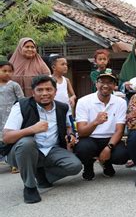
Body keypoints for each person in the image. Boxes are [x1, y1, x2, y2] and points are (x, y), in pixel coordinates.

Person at [1, 75, 81, 203]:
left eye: (49, 89)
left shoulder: (63, 107)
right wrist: (32, 129)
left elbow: (68, 127)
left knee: (75, 166)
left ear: (55, 92)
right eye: (40, 90)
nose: (45, 93)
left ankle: (42, 175)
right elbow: (6, 138)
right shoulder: (21, 106)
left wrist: (70, 135)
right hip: (23, 153)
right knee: (27, 142)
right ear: (33, 92)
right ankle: (30, 187)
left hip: (51, 149)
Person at [74, 72, 129, 181]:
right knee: (83, 149)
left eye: (110, 82)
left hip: (110, 138)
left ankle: (106, 162)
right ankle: (88, 165)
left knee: (122, 155)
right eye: (102, 82)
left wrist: (108, 148)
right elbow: (81, 132)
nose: (105, 85)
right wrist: (96, 122)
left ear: (114, 86)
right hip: (90, 138)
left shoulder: (121, 102)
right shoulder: (83, 101)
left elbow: (119, 130)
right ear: (96, 84)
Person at [0, 61, 24, 173]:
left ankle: (14, 163)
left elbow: (21, 100)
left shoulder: (14, 85)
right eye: (4, 71)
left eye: (10, 71)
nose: (7, 73)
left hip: (10, 116)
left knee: (11, 139)